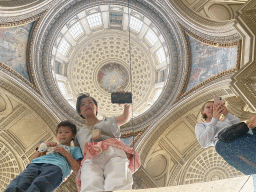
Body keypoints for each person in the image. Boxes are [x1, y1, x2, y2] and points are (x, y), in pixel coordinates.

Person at [74, 93, 140, 192]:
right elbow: (77, 153)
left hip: (112, 152)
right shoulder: (78, 134)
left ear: (96, 107)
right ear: (79, 112)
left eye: (90, 102)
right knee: (90, 183)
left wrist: (127, 105)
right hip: (90, 159)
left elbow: (125, 117)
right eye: (82, 104)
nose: (87, 105)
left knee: (118, 180)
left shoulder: (108, 121)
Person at [5, 120, 83, 192]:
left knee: (39, 186)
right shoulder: (50, 146)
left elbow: (77, 169)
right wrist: (41, 148)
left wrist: (65, 153)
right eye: (60, 132)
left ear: (73, 135)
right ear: (57, 135)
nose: (63, 134)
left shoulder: (75, 150)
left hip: (56, 168)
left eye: (66, 132)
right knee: (17, 184)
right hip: (35, 165)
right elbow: (32, 160)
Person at [195, 100, 256, 175]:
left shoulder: (225, 121)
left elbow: (240, 125)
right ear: (202, 112)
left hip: (242, 137)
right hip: (225, 143)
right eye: (208, 107)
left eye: (213, 107)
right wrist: (214, 119)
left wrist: (226, 113)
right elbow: (203, 142)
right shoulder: (201, 125)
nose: (211, 109)